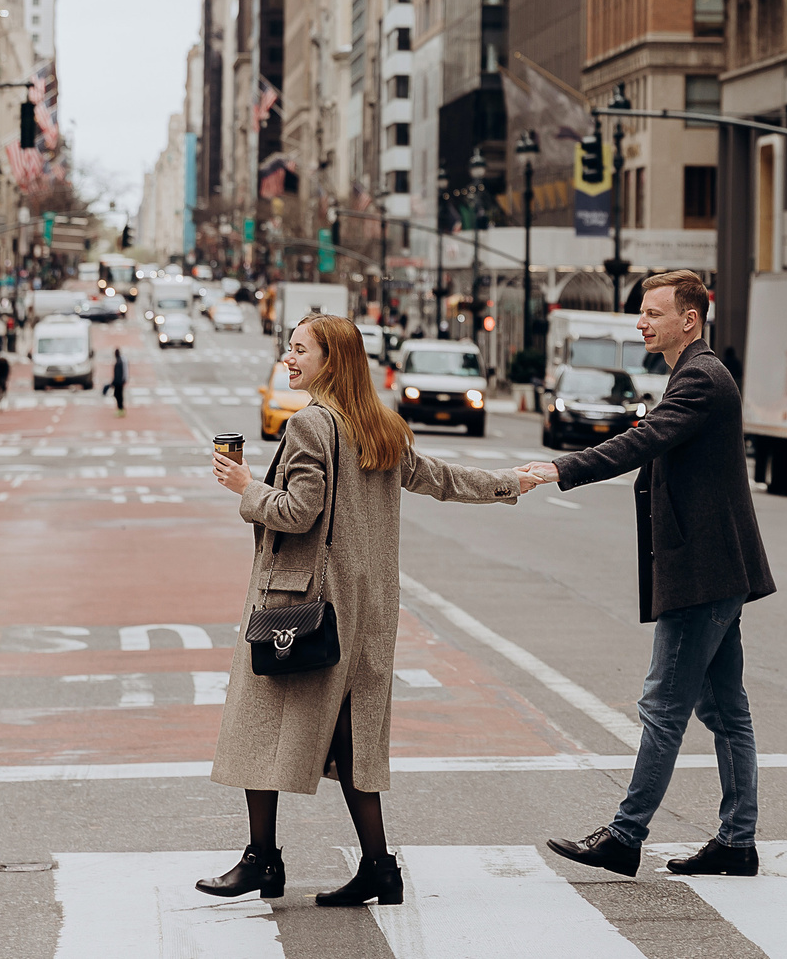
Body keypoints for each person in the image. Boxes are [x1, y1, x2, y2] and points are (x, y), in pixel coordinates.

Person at [200, 315, 539, 906]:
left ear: (331, 360)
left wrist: (245, 488)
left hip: (303, 607)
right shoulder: (379, 425)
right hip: (368, 609)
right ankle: (379, 868)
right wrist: (507, 482)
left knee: (261, 722)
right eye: (289, 348)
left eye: (300, 349)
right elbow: (438, 479)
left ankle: (263, 859)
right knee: (353, 737)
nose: (288, 358)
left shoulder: (310, 424)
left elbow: (298, 512)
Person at [518, 269, 773, 880]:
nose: (641, 323)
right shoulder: (694, 373)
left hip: (701, 574)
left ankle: (626, 835)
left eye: (653, 313)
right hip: (715, 569)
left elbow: (644, 441)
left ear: (690, 318)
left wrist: (561, 469)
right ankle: (736, 842)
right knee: (726, 711)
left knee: (663, 707)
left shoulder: (702, 378)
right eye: (642, 312)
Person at [104, 341, 128, 414]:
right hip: (120, 382)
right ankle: (121, 409)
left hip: (118, 382)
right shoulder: (120, 360)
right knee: (119, 395)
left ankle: (121, 409)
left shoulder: (119, 362)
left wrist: (114, 382)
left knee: (118, 395)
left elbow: (118, 374)